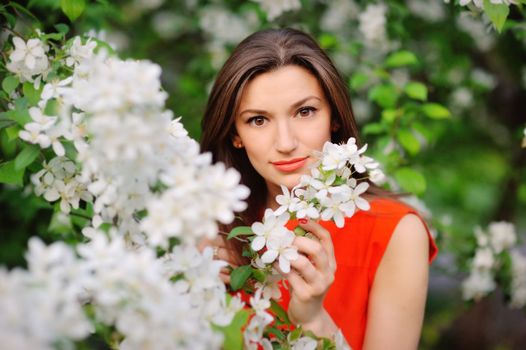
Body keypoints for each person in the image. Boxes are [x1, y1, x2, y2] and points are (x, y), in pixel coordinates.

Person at [200, 28, 437, 350]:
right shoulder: (207, 227)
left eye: (305, 111)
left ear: (334, 118)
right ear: (234, 134)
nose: (285, 143)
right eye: (258, 120)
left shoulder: (395, 232)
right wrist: (193, 286)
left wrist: (312, 319)